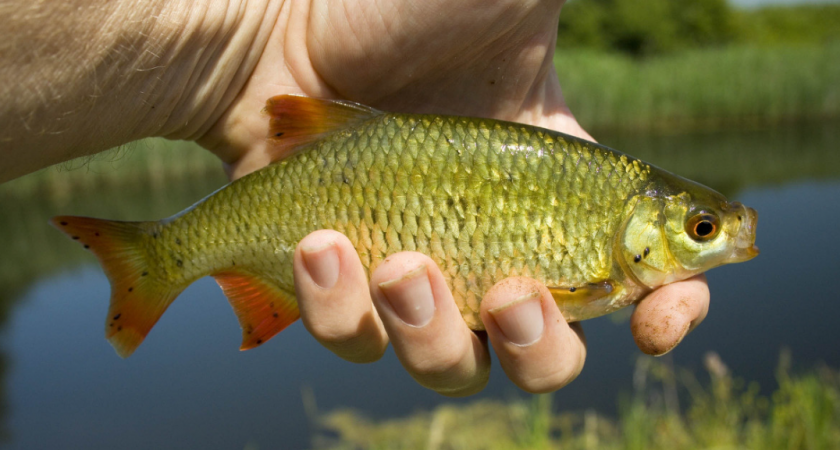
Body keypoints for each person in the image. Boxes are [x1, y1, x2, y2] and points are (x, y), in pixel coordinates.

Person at [1, 0, 709, 396]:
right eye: (701, 228)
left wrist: (250, 48)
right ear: (648, 223)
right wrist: (267, 38)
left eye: (704, 230)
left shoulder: (607, 205)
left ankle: (165, 254)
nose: (712, 239)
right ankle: (155, 255)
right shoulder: (606, 271)